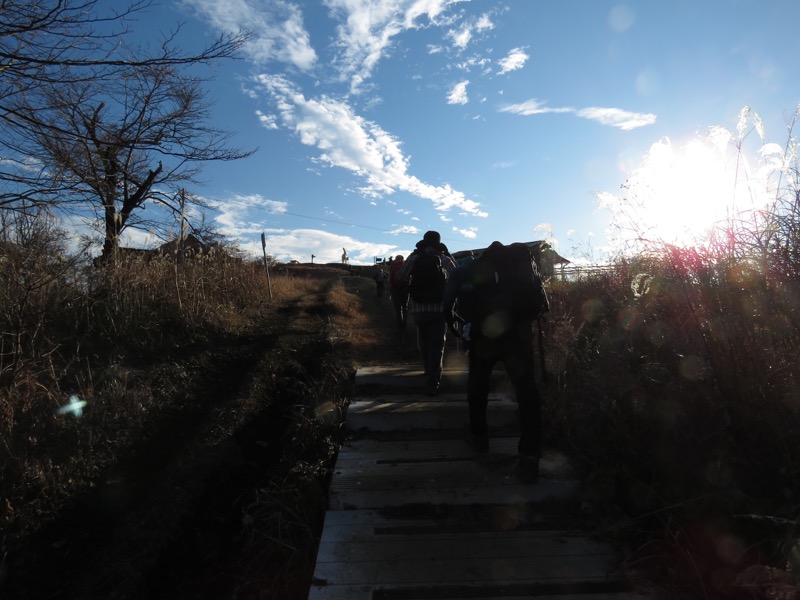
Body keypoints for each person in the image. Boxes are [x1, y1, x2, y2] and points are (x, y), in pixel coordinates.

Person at [442, 241, 543, 483]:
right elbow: (538, 300)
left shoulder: (470, 266)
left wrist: (451, 318)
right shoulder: (524, 265)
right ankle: (529, 458)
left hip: (484, 335)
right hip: (519, 336)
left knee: (478, 385)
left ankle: (479, 438)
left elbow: (448, 301)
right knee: (527, 392)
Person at [398, 231, 457, 396]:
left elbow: (401, 276)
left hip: (418, 309)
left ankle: (427, 371)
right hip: (438, 309)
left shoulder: (415, 258)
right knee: (436, 346)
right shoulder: (442, 257)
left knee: (424, 343)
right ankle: (433, 383)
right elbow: (456, 274)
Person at [388, 255, 409, 331]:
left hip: (395, 289)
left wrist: (390, 288)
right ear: (403, 259)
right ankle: (405, 324)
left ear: (396, 259)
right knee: (405, 307)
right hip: (405, 289)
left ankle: (400, 325)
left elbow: (390, 277)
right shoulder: (406, 264)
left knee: (398, 309)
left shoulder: (393, 265)